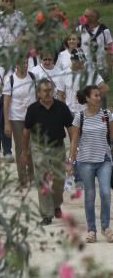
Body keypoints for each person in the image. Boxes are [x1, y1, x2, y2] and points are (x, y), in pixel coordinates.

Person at [22, 79, 74, 225]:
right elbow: (26, 132)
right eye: (45, 91)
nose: (48, 93)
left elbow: (70, 129)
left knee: (59, 181)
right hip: (39, 149)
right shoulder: (32, 109)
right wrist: (24, 152)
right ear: (38, 93)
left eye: (50, 90)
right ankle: (47, 214)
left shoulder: (62, 108)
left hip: (58, 147)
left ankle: (56, 204)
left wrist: (73, 151)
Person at [67, 85, 113, 243]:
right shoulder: (80, 116)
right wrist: (70, 162)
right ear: (87, 98)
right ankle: (92, 230)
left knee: (106, 193)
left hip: (104, 160)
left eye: (100, 95)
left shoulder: (107, 115)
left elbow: (112, 139)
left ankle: (106, 227)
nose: (99, 98)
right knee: (90, 196)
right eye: (95, 95)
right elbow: (74, 141)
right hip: (85, 161)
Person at [3, 57, 37, 186]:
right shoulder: (10, 80)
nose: (25, 65)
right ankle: (23, 177)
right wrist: (6, 122)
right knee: (20, 147)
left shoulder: (33, 77)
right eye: (22, 63)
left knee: (32, 148)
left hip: (32, 118)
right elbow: (6, 103)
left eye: (26, 62)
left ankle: (33, 175)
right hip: (17, 118)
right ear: (16, 65)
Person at [59, 49, 109, 115]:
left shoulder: (91, 72)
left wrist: (94, 99)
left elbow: (105, 88)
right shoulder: (63, 74)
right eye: (78, 62)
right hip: (71, 112)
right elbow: (60, 95)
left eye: (82, 61)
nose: (81, 64)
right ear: (72, 60)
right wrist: (64, 110)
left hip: (89, 111)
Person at [77, 8, 112, 77]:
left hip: (101, 65)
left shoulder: (104, 30)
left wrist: (111, 60)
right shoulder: (80, 29)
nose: (83, 18)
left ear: (94, 18)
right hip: (85, 65)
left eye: (86, 16)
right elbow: (75, 45)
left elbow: (110, 45)